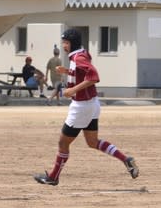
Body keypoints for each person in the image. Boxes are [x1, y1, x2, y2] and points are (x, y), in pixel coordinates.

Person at [33, 29, 139, 187]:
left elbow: (94, 77)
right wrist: (67, 71)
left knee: (63, 143)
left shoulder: (79, 57)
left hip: (81, 106)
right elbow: (82, 73)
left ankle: (53, 177)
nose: (63, 46)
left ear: (71, 43)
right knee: (92, 142)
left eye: (65, 43)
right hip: (91, 104)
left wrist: (72, 90)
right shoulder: (82, 54)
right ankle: (126, 159)